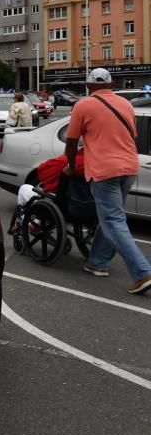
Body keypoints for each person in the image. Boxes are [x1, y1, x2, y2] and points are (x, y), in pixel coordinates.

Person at [65, 68, 151, 295]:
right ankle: (98, 262)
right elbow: (131, 137)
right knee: (110, 218)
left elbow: (72, 142)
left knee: (113, 220)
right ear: (111, 84)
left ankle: (143, 272)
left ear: (89, 85)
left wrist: (72, 167)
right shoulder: (126, 104)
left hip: (104, 171)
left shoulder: (83, 105)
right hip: (130, 168)